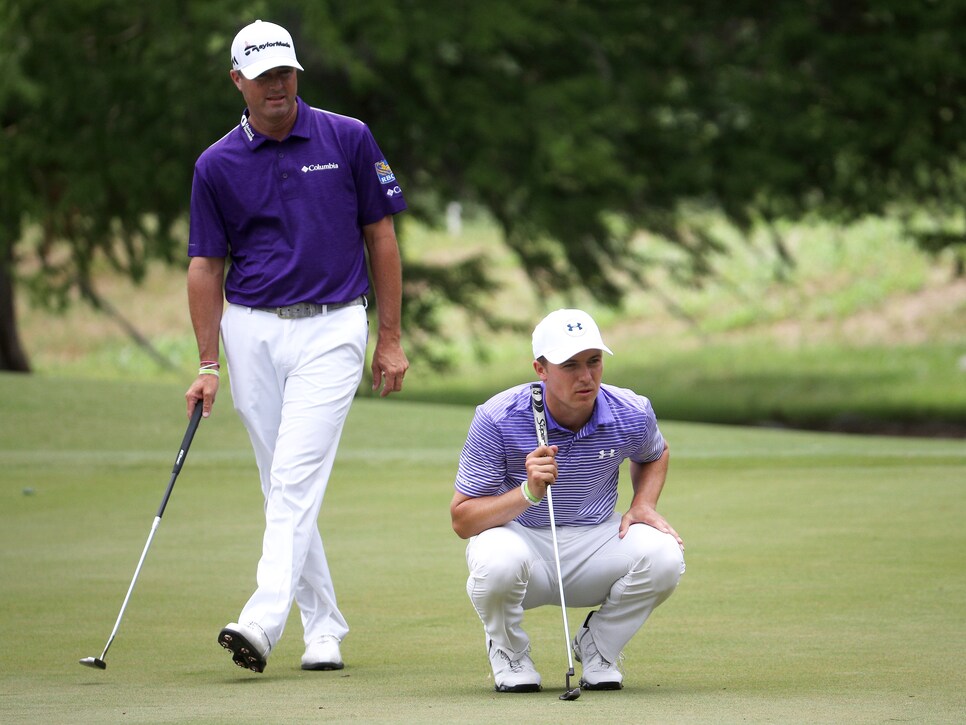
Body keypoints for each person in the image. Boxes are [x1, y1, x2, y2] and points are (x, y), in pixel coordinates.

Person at [184, 19, 409, 674]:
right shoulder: (215, 164)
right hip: (250, 328)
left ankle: (262, 617)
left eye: (285, 73)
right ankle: (325, 625)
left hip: (333, 325)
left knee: (294, 476)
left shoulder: (348, 137)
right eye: (263, 76)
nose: (277, 85)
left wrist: (389, 338)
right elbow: (205, 266)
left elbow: (383, 236)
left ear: (296, 75)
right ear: (238, 82)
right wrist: (206, 361)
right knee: (281, 483)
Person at [450, 309, 685, 693]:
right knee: (497, 561)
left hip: (596, 542)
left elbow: (655, 452)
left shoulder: (631, 411)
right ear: (540, 369)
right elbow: (463, 520)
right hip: (522, 542)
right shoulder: (498, 417)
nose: (586, 376)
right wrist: (528, 492)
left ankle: (598, 646)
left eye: (594, 362)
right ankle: (509, 652)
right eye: (570, 365)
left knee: (665, 554)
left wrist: (644, 504)